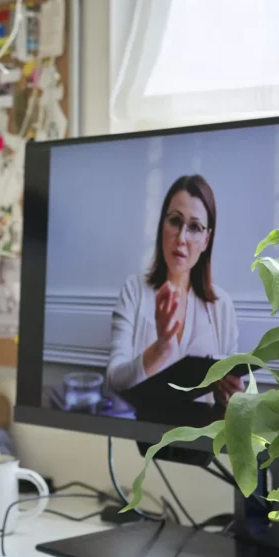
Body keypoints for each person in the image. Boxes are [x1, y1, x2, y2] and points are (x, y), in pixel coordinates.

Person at [106, 175, 243, 408]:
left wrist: (232, 396)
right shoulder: (134, 291)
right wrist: (161, 348)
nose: (181, 238)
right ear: (162, 225)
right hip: (142, 438)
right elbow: (114, 381)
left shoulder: (222, 306)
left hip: (201, 441)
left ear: (206, 240)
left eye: (195, 227)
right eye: (175, 221)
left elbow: (234, 400)